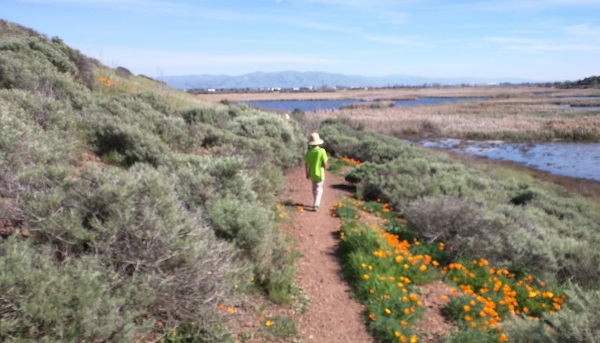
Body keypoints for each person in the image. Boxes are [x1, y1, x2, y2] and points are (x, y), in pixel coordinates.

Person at [304, 132, 329, 211]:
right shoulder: (322, 151)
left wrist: (307, 173)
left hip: (312, 173)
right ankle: (316, 204)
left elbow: (306, 163)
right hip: (320, 173)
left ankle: (316, 202)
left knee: (314, 188)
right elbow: (325, 163)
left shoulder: (309, 152)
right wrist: (325, 168)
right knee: (319, 188)